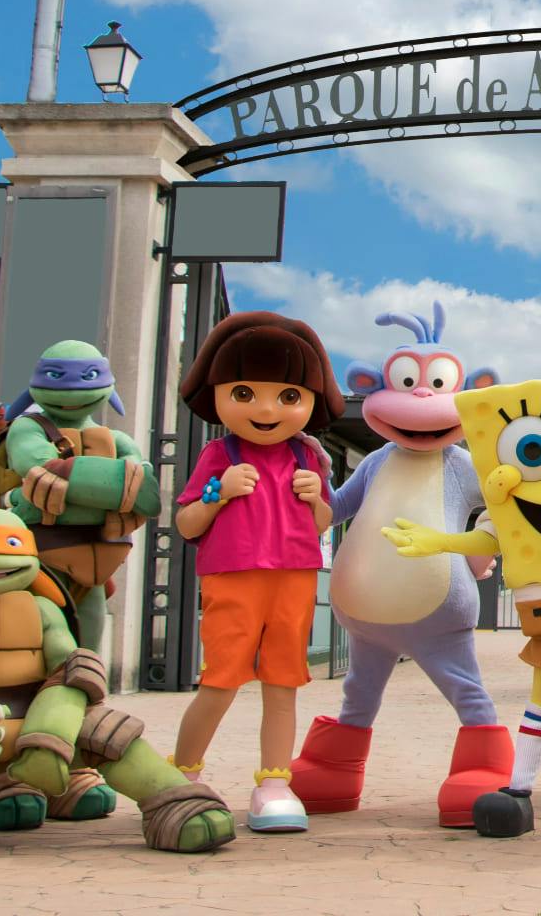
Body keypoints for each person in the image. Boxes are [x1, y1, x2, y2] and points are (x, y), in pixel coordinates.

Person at [168, 312, 344, 834]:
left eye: (288, 397)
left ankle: (274, 782)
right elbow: (185, 523)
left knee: (283, 684)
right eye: (244, 393)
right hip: (233, 578)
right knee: (220, 681)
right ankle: (183, 776)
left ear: (310, 401)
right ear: (219, 394)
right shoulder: (217, 454)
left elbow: (323, 523)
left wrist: (316, 501)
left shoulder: (308, 457)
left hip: (293, 578)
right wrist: (218, 493)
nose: (267, 409)